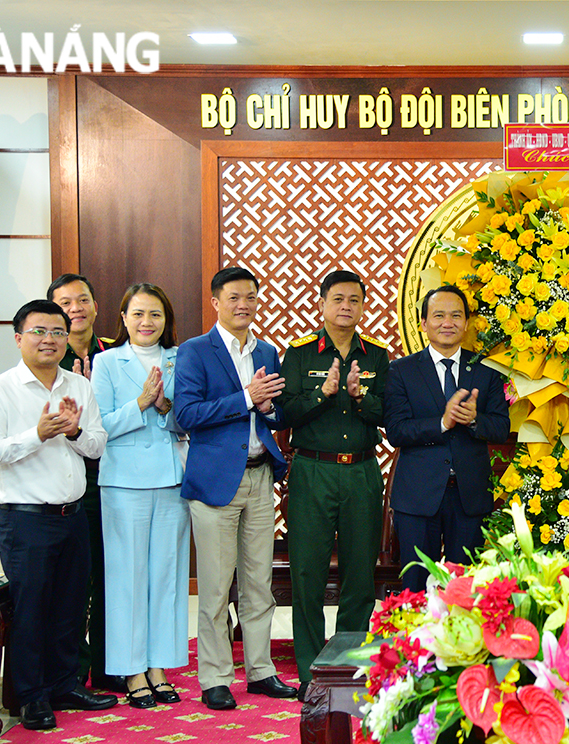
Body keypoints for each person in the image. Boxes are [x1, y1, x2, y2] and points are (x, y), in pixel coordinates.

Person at [0, 299, 117, 730]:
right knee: (31, 610)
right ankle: (31, 697)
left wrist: (72, 431)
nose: (49, 340)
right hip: (26, 518)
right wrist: (36, 435)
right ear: (19, 338)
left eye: (57, 331)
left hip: (72, 514)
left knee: (71, 606)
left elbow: (97, 445)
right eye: (39, 331)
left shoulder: (79, 386)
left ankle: (64, 684)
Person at [175, 266, 297, 710]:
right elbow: (186, 415)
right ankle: (215, 677)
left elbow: (277, 415)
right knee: (214, 585)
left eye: (250, 296)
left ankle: (261, 671)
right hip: (214, 483)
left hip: (260, 476)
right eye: (233, 297)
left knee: (258, 583)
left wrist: (266, 407)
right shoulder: (194, 351)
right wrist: (246, 398)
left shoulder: (266, 349)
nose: (243, 304)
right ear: (216, 302)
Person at [280, 269, 389, 701]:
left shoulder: (378, 357)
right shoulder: (300, 354)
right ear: (322, 303)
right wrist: (321, 394)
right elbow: (286, 415)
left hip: (362, 471)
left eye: (355, 300)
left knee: (360, 573)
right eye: (338, 299)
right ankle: (310, 671)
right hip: (312, 471)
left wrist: (363, 397)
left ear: (363, 306)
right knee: (307, 571)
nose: (346, 307)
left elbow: (388, 415)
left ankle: (351, 665)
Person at [90, 284, 189, 708]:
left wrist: (168, 409)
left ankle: (160, 668)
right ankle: (132, 671)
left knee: (167, 578)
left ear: (166, 320)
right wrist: (142, 403)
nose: (147, 323)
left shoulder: (180, 359)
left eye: (155, 315)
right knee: (127, 579)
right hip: (124, 484)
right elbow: (101, 425)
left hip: (170, 479)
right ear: (123, 317)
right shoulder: (107, 362)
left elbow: (190, 423)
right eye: (138, 314)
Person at [383, 285, 510, 592]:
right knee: (414, 589)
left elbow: (501, 428)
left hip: (469, 496)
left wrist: (474, 420)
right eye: (438, 315)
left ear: (467, 323)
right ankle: (411, 641)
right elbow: (397, 430)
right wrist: (442, 422)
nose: (447, 323)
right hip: (418, 496)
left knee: (467, 590)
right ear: (423, 323)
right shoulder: (400, 371)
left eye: (456, 315)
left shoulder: (486, 370)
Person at [48, 273, 123, 693]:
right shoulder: (45, 359)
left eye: (83, 301)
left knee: (110, 575)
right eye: (66, 302)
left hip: (113, 479)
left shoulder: (114, 355)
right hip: (68, 483)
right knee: (76, 582)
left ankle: (109, 665)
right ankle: (73, 669)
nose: (76, 308)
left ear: (96, 307)